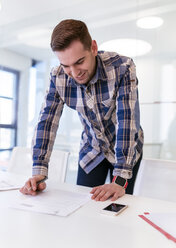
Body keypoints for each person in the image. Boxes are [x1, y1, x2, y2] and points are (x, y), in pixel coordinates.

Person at [20, 19, 144, 201]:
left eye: (79, 62)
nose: (74, 72)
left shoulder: (122, 67)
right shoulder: (58, 77)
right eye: (66, 65)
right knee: (84, 204)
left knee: (119, 204)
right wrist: (39, 170)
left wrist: (120, 178)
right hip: (91, 150)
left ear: (93, 48)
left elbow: (127, 119)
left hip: (127, 148)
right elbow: (46, 122)